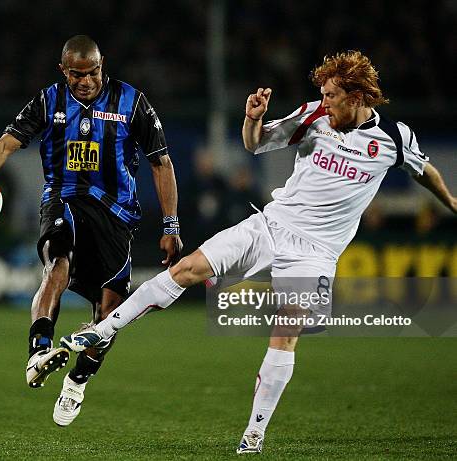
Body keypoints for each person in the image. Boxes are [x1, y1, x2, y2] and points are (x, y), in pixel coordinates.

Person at [57, 51, 456, 453]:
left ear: (355, 95)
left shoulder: (394, 138)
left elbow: (424, 170)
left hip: (315, 254)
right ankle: (99, 331)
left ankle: (254, 434)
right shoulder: (313, 116)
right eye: (323, 94)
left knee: (285, 333)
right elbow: (257, 145)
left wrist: (451, 202)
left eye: (332, 95)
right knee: (188, 268)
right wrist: (253, 119)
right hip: (269, 226)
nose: (325, 101)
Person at [0, 35, 182, 426]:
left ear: (103, 66)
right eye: (76, 74)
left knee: (110, 310)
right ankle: (39, 351)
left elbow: (161, 163)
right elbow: (4, 146)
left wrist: (171, 224)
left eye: (93, 73)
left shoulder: (133, 102)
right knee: (58, 265)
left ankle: (77, 382)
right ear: (63, 70)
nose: (85, 81)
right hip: (63, 199)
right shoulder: (47, 101)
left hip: (116, 212)